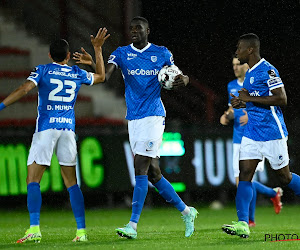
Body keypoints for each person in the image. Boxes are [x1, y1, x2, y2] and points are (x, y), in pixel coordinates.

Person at [73, 16, 198, 239]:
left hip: (153, 116)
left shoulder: (161, 53)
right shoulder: (121, 53)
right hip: (134, 119)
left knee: (140, 167)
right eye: (131, 29)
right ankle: (187, 212)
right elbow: (104, 76)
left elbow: (179, 75)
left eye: (138, 28)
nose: (133, 31)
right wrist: (96, 55)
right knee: (153, 173)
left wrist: (185, 80)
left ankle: (132, 225)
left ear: (147, 30)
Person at [0, 28, 110, 243]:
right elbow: (102, 76)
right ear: (69, 56)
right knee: (71, 183)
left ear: (50, 55)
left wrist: (1, 105)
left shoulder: (42, 70)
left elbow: (24, 89)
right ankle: (81, 232)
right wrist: (97, 50)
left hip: (46, 129)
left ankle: (34, 229)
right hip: (68, 130)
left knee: (33, 179)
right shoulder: (77, 73)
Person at [222, 33, 300, 238]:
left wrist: (249, 98)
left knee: (284, 177)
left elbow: (281, 98)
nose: (237, 52)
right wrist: (241, 103)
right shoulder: (249, 74)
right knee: (244, 175)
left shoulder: (268, 70)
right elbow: (250, 99)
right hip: (251, 134)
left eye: (239, 48)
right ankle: (243, 223)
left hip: (272, 132)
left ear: (250, 50)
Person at [220, 57, 283, 227]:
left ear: (245, 65)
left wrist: (251, 115)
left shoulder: (253, 80)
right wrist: (226, 115)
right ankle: (272, 194)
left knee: (245, 179)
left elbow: (267, 102)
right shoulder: (231, 85)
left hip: (255, 136)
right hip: (237, 138)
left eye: (237, 64)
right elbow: (232, 107)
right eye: (232, 65)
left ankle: (250, 220)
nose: (235, 67)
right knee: (241, 180)